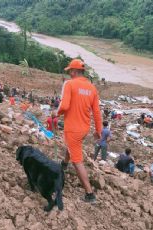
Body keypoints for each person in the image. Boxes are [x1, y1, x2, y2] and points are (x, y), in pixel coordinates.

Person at [57, 59, 102, 203]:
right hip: (84, 129)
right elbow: (96, 112)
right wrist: (99, 130)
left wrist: (55, 113)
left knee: (77, 161)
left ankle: (89, 194)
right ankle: (64, 164)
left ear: (74, 71)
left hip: (72, 129)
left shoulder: (69, 84)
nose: (70, 73)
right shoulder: (92, 88)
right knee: (72, 147)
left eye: (70, 71)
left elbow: (64, 106)